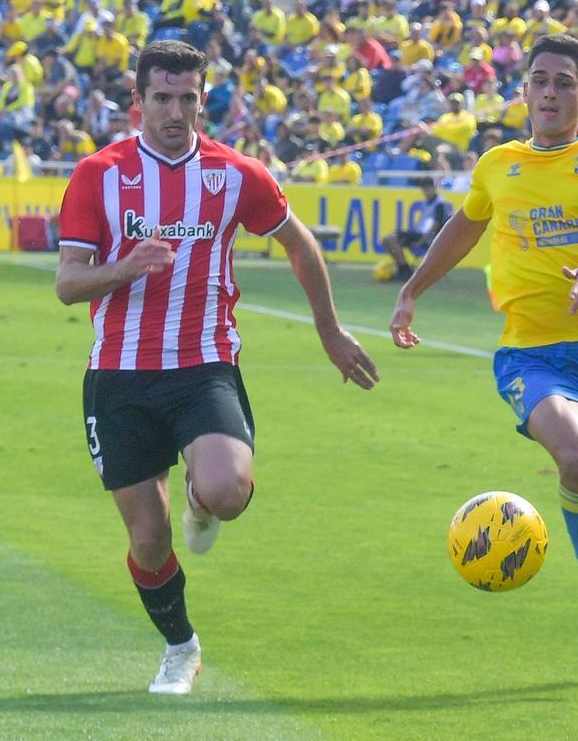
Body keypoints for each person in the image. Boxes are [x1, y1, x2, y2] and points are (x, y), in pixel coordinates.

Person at [54, 41, 378, 696]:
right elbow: (68, 284)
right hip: (118, 378)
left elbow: (298, 242)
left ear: (204, 100)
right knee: (149, 539)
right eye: (163, 98)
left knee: (229, 491)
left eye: (188, 99)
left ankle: (204, 499)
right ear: (138, 100)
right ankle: (181, 647)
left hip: (205, 367)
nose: (175, 111)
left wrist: (330, 330)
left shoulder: (236, 175)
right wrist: (126, 266)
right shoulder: (100, 174)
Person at [390, 34, 578, 683]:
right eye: (540, 81)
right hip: (530, 354)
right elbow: (467, 223)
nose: (550, 93)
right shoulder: (498, 163)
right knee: (574, 463)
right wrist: (412, 289)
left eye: (564, 83)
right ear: (524, 90)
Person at [379, 179, 452, 281]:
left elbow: (436, 226)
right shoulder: (428, 202)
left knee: (389, 240)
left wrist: (421, 241)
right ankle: (403, 269)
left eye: (427, 189)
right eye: (424, 189)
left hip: (425, 237)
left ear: (434, 188)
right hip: (418, 234)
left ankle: (405, 270)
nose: (425, 192)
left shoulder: (439, 204)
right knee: (386, 241)